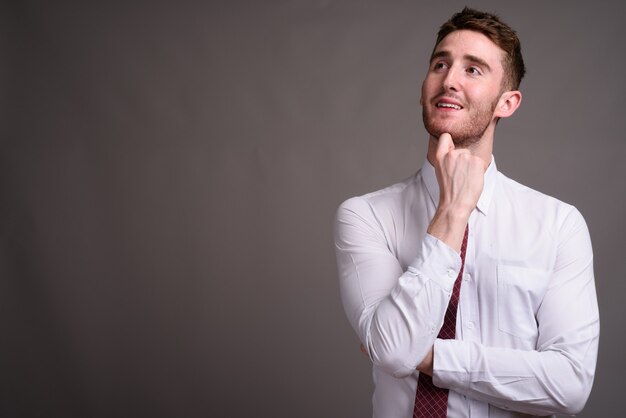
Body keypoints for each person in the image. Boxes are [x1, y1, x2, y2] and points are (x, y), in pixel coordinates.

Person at [334, 7, 599, 418]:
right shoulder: (366, 215)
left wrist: (426, 356)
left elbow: (569, 386)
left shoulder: (558, 225)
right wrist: (453, 211)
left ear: (506, 103)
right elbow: (391, 352)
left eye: (473, 70)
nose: (450, 80)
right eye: (440, 64)